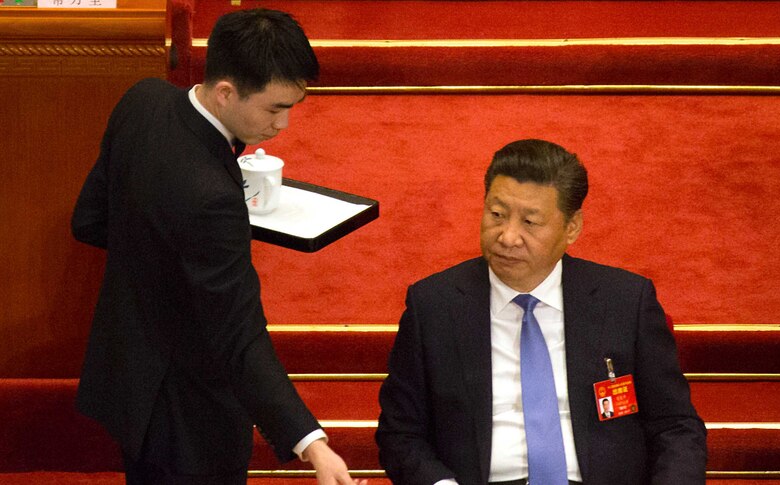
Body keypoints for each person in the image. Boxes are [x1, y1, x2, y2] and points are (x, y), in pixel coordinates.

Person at [72, 9, 362, 485]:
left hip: (126, 374)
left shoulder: (141, 99)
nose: (284, 124)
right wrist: (312, 443)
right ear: (226, 91)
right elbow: (239, 335)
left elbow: (89, 221)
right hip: (186, 417)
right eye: (274, 108)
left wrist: (167, 258)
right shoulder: (210, 199)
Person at [376, 139, 707, 485]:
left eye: (530, 222)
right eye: (496, 214)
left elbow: (676, 426)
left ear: (572, 228)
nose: (507, 236)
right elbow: (400, 434)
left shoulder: (625, 301)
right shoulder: (434, 305)